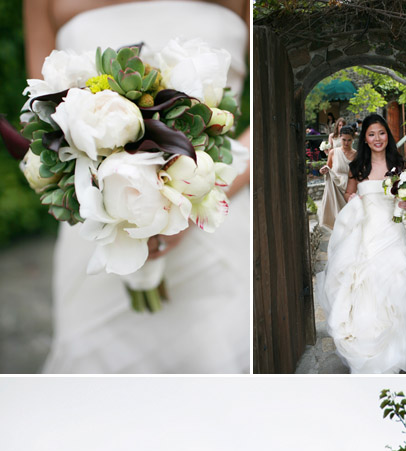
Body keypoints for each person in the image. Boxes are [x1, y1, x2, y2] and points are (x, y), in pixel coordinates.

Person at [23, 0, 250, 374]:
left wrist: (188, 197)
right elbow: (41, 112)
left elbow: (269, 114)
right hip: (95, 233)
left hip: (213, 215)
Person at [315, 112, 406, 373]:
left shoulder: (399, 164)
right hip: (365, 232)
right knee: (366, 282)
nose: (378, 138)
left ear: (388, 135)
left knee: (395, 283)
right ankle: (366, 343)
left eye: (382, 133)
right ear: (365, 138)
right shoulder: (358, 165)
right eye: (372, 134)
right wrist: (355, 203)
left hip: (391, 232)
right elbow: (349, 192)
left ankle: (393, 348)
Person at [318, 126, 356, 231]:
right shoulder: (333, 152)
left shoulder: (356, 155)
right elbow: (328, 167)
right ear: (340, 138)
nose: (346, 143)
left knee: (350, 220)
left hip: (350, 188)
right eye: (344, 140)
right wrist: (324, 169)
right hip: (336, 188)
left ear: (353, 139)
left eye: (349, 140)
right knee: (338, 221)